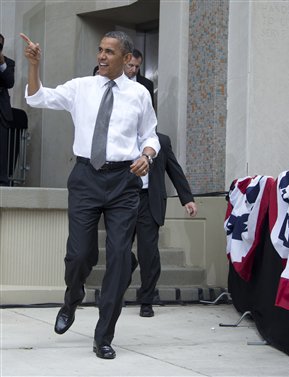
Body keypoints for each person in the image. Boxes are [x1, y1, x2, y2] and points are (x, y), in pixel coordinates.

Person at [21, 30, 160, 359]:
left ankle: (103, 335)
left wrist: (147, 156)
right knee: (81, 254)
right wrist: (34, 66)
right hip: (85, 178)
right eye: (100, 50)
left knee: (119, 261)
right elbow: (38, 97)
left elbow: (150, 134)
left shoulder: (140, 94)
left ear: (126, 59)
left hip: (124, 182)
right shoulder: (81, 87)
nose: (101, 56)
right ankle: (72, 297)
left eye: (109, 52)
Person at [134, 132, 197, 317]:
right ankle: (127, 264)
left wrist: (187, 199)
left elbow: (174, 169)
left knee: (148, 253)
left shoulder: (161, 140)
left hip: (150, 201)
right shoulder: (121, 136)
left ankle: (147, 300)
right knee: (118, 249)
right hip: (124, 200)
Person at [0, 33, 15, 186]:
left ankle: (2, 182)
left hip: (1, 113)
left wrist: (2, 64)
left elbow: (10, 82)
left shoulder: (8, 63)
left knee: (2, 149)